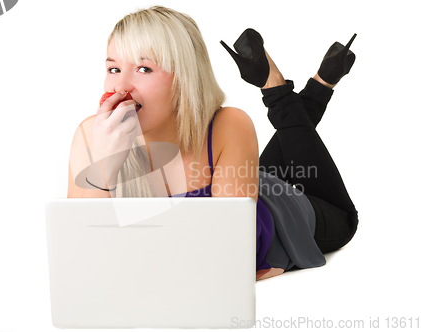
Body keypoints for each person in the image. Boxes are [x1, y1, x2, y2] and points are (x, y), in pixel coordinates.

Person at [67, 6, 359, 281]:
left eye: (144, 69)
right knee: (274, 162)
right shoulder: (89, 134)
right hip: (243, 182)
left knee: (345, 219)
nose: (121, 86)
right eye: (113, 69)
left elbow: (229, 256)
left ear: (184, 78)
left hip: (280, 215)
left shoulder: (228, 124)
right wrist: (105, 165)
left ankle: (288, 89)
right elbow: (79, 257)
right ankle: (294, 87)